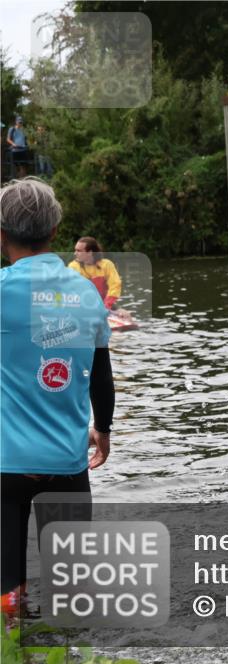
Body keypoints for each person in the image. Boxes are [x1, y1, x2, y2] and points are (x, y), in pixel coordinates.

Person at [0, 178, 115, 618]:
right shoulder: (85, 292)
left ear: (2, 234)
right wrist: (102, 430)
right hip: (67, 463)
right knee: (72, 595)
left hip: (6, 466)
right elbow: (100, 376)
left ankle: (15, 651)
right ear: (54, 233)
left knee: (9, 595)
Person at [68, 236, 122, 311]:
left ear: (90, 252)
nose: (75, 253)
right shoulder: (73, 266)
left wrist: (106, 306)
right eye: (75, 250)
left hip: (105, 304)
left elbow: (115, 286)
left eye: (79, 251)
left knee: (126, 316)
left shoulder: (107, 265)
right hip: (81, 307)